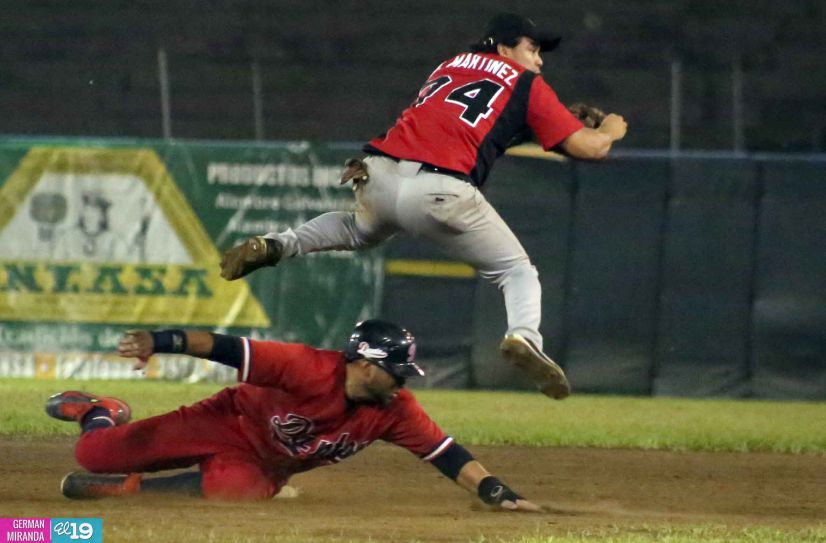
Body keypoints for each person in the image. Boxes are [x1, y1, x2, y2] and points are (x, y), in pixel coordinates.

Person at [219, 13, 628, 400]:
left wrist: (555, 120)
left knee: (356, 230)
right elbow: (587, 149)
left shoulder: (449, 65)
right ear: (504, 48)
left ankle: (278, 244)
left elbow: (477, 125)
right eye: (533, 48)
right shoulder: (525, 82)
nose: (538, 59)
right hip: (440, 188)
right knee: (516, 271)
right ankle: (525, 336)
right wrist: (610, 129)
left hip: (379, 172)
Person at [45, 320, 540, 512]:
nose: (403, 380)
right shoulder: (305, 367)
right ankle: (100, 411)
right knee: (93, 453)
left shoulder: (394, 410)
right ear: (364, 365)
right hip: (226, 420)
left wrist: (497, 492)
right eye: (395, 371)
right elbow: (224, 347)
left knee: (234, 495)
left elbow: (447, 454)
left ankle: (131, 489)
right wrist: (160, 342)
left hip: (262, 465)